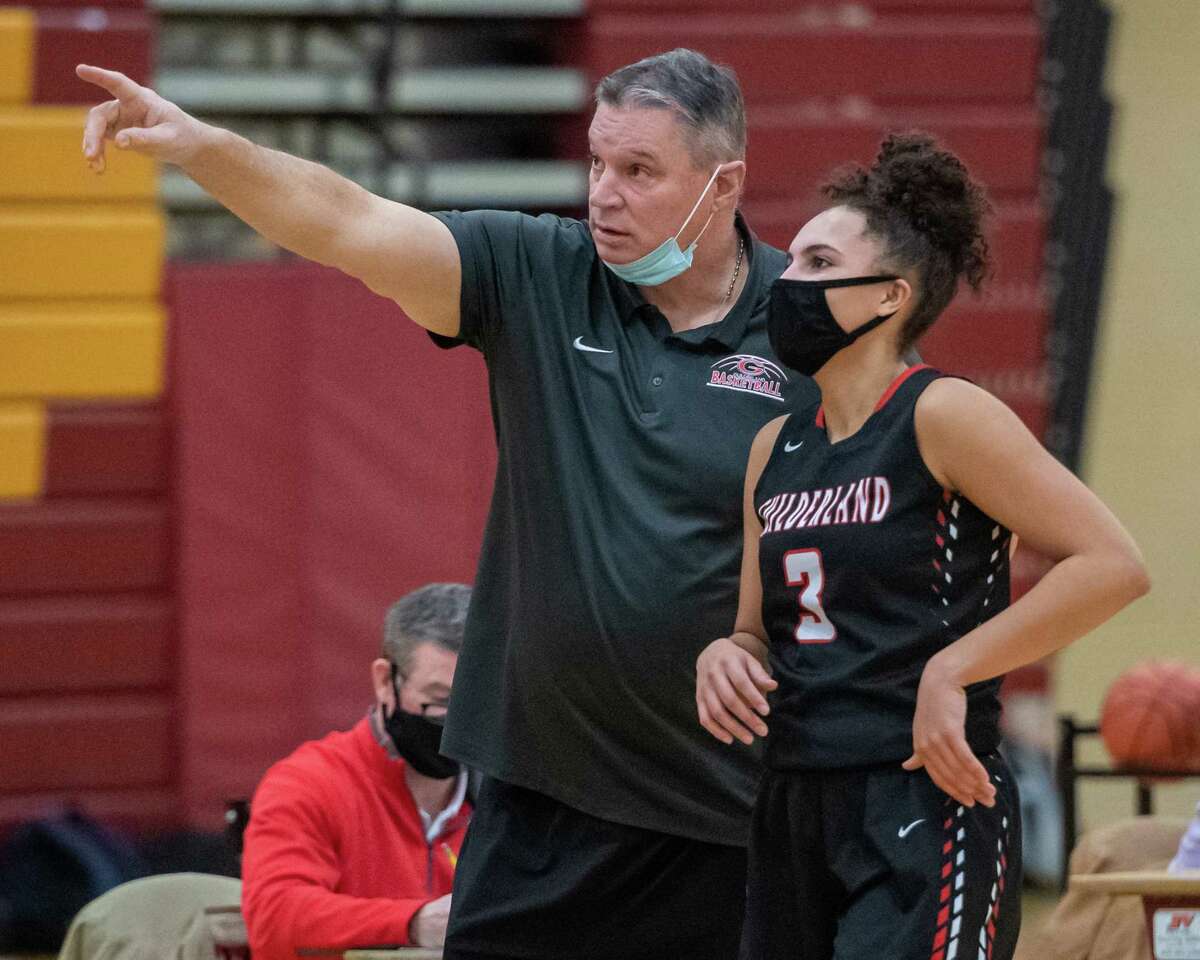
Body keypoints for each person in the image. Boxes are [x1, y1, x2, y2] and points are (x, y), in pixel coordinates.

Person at [76, 47, 816, 959]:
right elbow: (345, 219)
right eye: (595, 162)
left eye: (638, 171)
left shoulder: (810, 326)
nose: (603, 195)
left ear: (724, 182)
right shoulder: (537, 272)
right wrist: (200, 146)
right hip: (544, 806)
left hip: (730, 818)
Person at [695, 133, 1150, 960]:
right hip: (792, 796)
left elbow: (1113, 564)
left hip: (924, 791)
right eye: (790, 259)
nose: (786, 280)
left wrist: (953, 668)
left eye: (819, 262)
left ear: (887, 297)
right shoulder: (774, 447)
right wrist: (726, 653)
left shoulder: (943, 414)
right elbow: (759, 631)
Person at [240, 583, 472, 958]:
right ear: (385, 681)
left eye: (478, 700)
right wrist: (413, 922)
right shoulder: (310, 783)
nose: (461, 722)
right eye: (440, 701)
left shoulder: (511, 796)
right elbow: (274, 918)